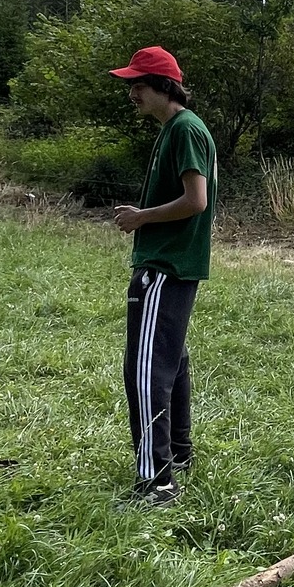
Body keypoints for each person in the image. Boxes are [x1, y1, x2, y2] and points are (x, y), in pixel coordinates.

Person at [109, 45, 217, 506]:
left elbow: (197, 200)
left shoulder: (185, 129)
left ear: (163, 86)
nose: (132, 92)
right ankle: (177, 455)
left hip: (166, 265)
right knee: (170, 362)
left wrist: (142, 217)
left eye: (138, 84)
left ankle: (157, 482)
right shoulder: (177, 129)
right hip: (172, 264)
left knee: (145, 369)